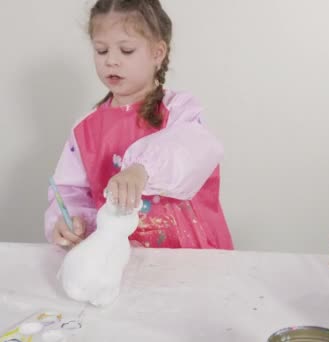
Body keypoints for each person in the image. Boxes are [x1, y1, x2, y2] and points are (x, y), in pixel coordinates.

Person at [44, 0, 233, 250]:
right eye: (101, 50)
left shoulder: (179, 110)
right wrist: (69, 222)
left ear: (158, 53)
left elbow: (195, 149)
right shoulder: (85, 130)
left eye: (126, 50)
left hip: (189, 259)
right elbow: (71, 194)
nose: (111, 61)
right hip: (123, 264)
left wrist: (142, 169)